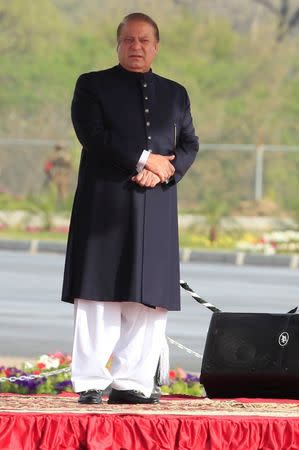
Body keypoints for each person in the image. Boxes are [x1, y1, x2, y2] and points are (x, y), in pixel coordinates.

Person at [61, 12, 199, 405]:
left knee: (149, 297)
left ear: (156, 46)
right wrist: (144, 159)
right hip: (104, 204)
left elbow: (189, 143)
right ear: (117, 44)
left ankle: (133, 382)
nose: (136, 47)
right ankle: (90, 380)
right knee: (97, 294)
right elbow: (93, 135)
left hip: (155, 205)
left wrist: (166, 170)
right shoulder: (91, 86)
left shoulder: (176, 93)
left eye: (144, 41)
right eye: (128, 40)